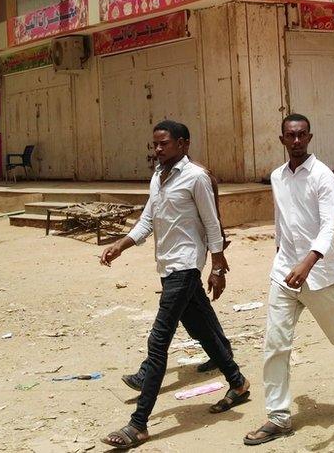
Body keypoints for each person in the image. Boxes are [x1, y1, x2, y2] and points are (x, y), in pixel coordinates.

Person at [244, 114, 334, 446]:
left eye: (301, 135)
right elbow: (281, 222)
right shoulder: (277, 177)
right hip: (284, 273)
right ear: (282, 139)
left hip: (320, 275)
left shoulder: (323, 177)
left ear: (309, 137)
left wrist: (308, 262)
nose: (296, 141)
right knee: (275, 344)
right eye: (289, 136)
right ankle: (279, 416)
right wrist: (282, 255)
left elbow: (329, 226)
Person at [99, 120, 250, 450]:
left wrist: (218, 266)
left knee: (158, 341)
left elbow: (212, 223)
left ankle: (138, 425)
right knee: (204, 330)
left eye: (164, 144)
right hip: (167, 268)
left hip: (185, 267)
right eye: (154, 144)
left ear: (183, 144)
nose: (157, 149)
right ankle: (237, 383)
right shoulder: (157, 177)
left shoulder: (196, 177)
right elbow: (147, 221)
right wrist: (120, 245)